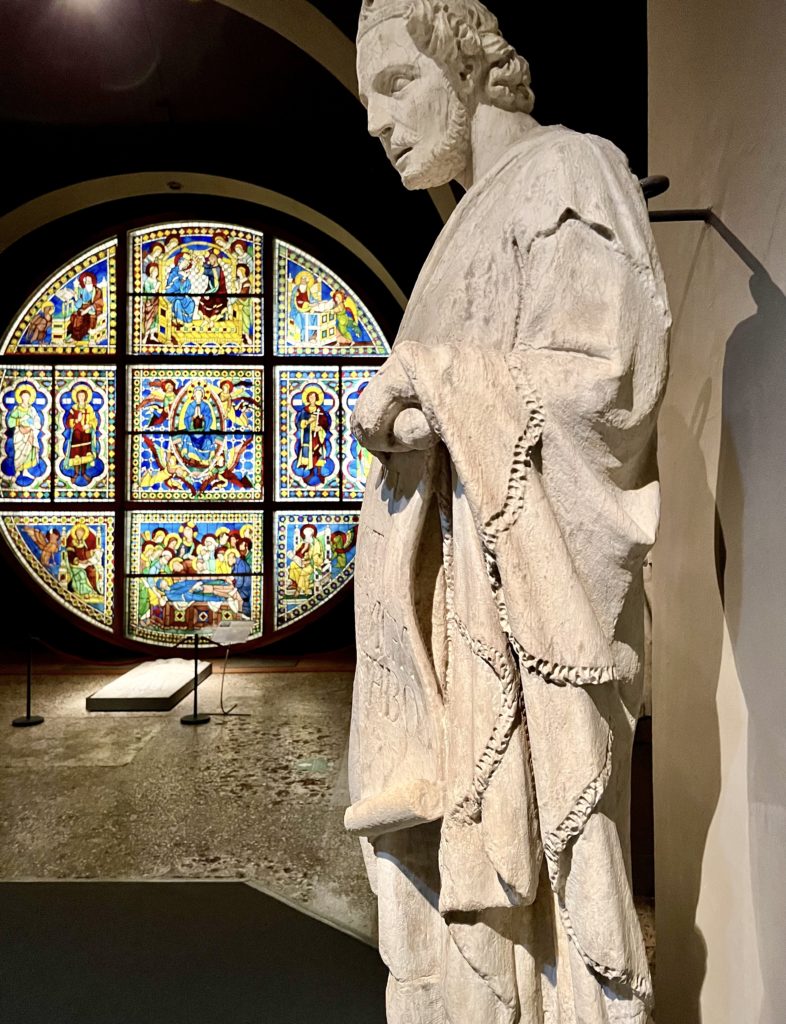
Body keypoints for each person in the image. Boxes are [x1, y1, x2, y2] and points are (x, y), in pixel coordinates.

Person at [346, 3, 671, 1023]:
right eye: (365, 108)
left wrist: (428, 384)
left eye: (396, 84)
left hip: (523, 639)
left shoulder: (568, 174)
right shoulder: (468, 224)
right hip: (453, 646)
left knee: (536, 907)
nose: (380, 125)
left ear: (467, 61)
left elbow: (603, 380)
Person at [6, 383, 44, 483]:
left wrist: (33, 424)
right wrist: (20, 420)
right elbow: (10, 422)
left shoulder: (32, 409)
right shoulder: (17, 409)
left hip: (30, 434)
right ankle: (17, 472)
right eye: (23, 396)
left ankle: (26, 471)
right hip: (20, 435)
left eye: (27, 396)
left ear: (30, 398)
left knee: (29, 454)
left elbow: (37, 421)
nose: (25, 398)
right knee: (19, 454)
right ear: (20, 397)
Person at [294, 385, 331, 485]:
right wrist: (308, 422)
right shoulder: (304, 411)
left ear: (317, 398)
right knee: (308, 454)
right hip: (307, 437)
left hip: (318, 437)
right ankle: (309, 472)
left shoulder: (320, 411)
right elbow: (299, 424)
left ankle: (319, 472)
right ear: (307, 399)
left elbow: (325, 423)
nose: (312, 399)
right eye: (310, 397)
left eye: (314, 397)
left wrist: (321, 428)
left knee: (318, 453)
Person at [64, 385, 99, 484]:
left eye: (83, 396)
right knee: (76, 453)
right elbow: (68, 422)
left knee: (84, 453)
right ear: (77, 397)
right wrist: (76, 420)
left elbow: (94, 420)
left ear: (86, 397)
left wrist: (89, 425)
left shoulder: (89, 408)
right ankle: (75, 473)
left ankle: (83, 473)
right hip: (76, 434)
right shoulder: (74, 408)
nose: (81, 397)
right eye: (79, 396)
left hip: (86, 434)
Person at [67, 271, 104, 342]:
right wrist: (75, 296)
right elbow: (79, 303)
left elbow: (97, 304)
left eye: (89, 280)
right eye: (86, 280)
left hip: (92, 311)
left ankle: (76, 337)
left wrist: (85, 311)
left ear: (93, 281)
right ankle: (73, 335)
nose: (87, 282)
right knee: (75, 316)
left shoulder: (97, 291)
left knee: (80, 318)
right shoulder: (82, 290)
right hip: (83, 309)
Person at [165, 252, 195, 326]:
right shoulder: (174, 271)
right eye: (186, 262)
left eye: (188, 264)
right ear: (180, 261)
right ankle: (179, 320)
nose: (187, 265)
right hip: (172, 295)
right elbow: (175, 285)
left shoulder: (183, 273)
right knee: (178, 302)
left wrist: (185, 278)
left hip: (181, 295)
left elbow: (187, 287)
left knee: (191, 302)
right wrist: (184, 278)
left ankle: (187, 321)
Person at [199, 249, 228, 320]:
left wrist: (201, 265)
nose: (209, 260)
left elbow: (207, 271)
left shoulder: (216, 269)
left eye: (211, 259)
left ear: (215, 259)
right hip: (212, 290)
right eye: (209, 259)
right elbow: (207, 266)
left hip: (218, 292)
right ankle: (206, 319)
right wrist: (201, 261)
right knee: (203, 300)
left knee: (212, 302)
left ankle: (214, 319)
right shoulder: (213, 267)